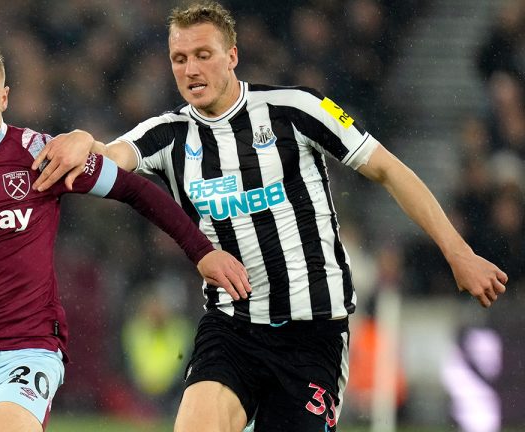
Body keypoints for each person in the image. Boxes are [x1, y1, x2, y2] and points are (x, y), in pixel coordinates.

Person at [31, 2, 509, 431]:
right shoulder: (169, 134)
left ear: (233, 55)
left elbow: (388, 169)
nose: (191, 68)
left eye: (203, 54)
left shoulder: (297, 108)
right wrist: (81, 138)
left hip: (313, 332)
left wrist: (458, 253)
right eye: (180, 59)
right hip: (231, 328)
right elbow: (108, 157)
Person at [0, 41, 251, 432]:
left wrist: (202, 252)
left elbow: (135, 190)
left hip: (26, 351)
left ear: (4, 97)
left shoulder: (39, 154)